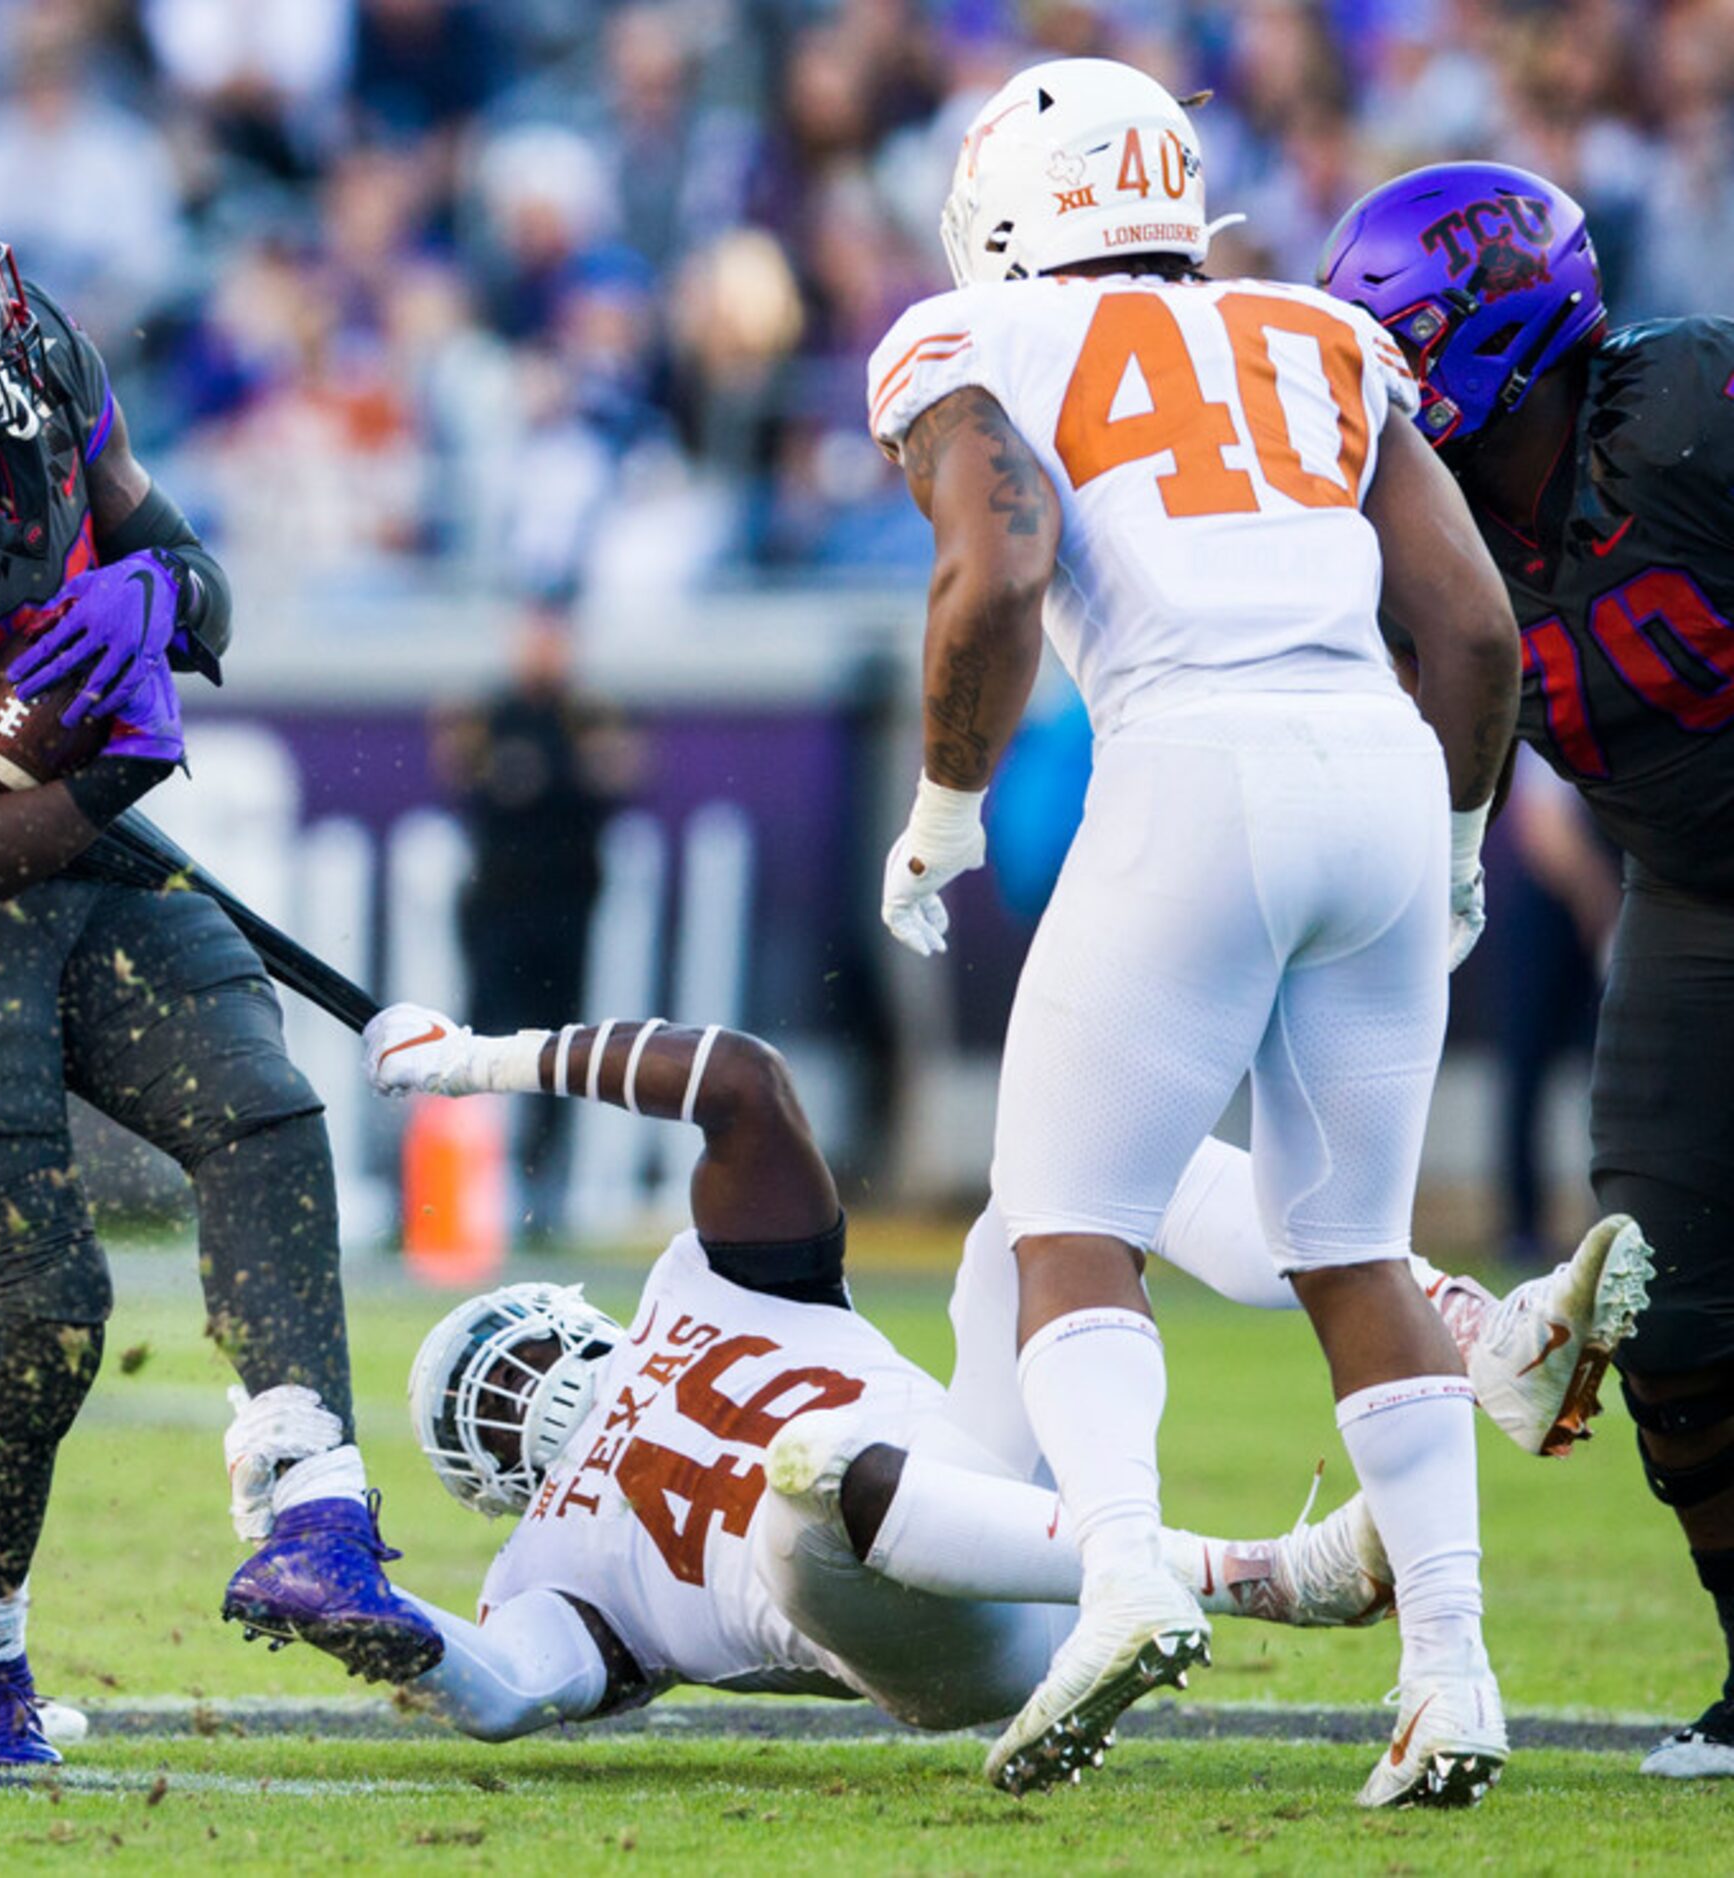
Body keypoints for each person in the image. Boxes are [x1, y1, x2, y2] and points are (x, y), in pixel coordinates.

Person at [865, 61, 1526, 1804]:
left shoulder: (969, 334)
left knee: (1067, 1217)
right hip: (1379, 769)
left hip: (1194, 761)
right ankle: (1452, 1671)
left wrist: (941, 807)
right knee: (1353, 1246)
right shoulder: (1321, 330)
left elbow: (996, 571)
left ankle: (1127, 1565)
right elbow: (1468, 629)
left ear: (1011, 209)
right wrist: (1455, 838)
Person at [0, 167, 436, 1767]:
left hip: (74, 832)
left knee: (261, 1114)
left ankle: (310, 1501)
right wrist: (117, 769)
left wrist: (150, 591)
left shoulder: (38, 361)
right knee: (49, 1300)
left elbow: (191, 569)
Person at [362, 1003, 1644, 1755]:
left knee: (1060, 1181)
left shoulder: (696, 1287)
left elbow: (738, 1084)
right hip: (924, 1637)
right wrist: (357, 1616)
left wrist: (478, 1056)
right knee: (802, 1490)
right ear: (496, 1478)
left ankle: (1474, 1331)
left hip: (988, 1482)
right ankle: (1259, 1574)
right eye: (493, 1381)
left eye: (509, 1354)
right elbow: (501, 1687)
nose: (519, 1384)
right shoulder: (543, 1570)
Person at [1323, 161, 1734, 1779]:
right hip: (1695, 898)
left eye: (1395, 338)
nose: (1373, 376)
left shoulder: (1690, 412)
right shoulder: (1407, 529)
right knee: (1668, 1307)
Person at [433, 603, 633, 1239]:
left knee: (562, 1049)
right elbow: (457, 764)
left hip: (565, 910)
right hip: (498, 908)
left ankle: (542, 1193)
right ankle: (459, 1190)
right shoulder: (492, 714)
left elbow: (622, 770)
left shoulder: (588, 713)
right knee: (481, 1039)